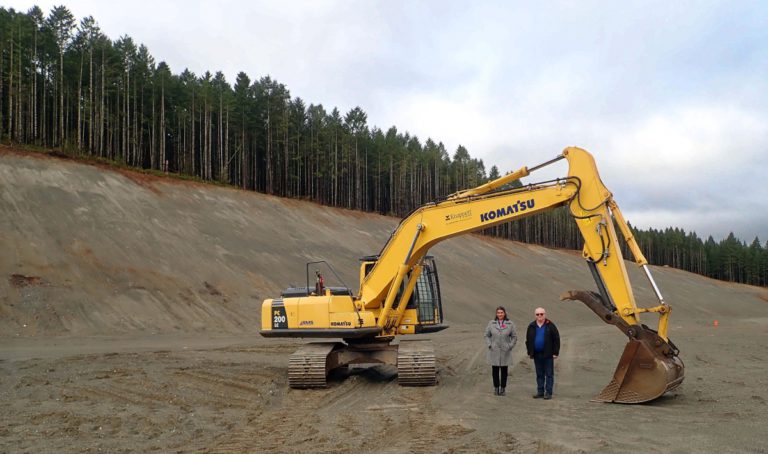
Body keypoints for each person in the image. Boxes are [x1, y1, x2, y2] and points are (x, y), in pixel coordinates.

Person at [526, 307, 560, 400]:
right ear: (535, 315)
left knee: (549, 374)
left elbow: (556, 339)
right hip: (537, 354)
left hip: (548, 354)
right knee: (539, 374)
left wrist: (555, 352)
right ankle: (540, 392)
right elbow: (528, 340)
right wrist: (530, 352)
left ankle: (548, 392)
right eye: (538, 314)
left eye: (541, 314)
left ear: (545, 314)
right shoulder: (532, 326)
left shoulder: (550, 325)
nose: (540, 316)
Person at [484, 306, 517, 396]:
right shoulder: (491, 323)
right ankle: (496, 388)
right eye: (498, 313)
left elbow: (514, 336)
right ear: (496, 314)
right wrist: (489, 345)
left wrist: (510, 346)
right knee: (494, 370)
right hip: (494, 350)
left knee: (504, 371)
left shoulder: (510, 324)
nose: (500, 314)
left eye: (501, 312)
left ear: (504, 313)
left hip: (505, 351)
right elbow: (486, 335)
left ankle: (503, 388)